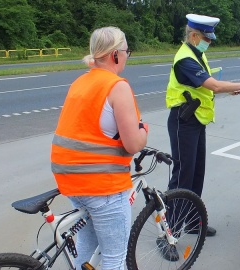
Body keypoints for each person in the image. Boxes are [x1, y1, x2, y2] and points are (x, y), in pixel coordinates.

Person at [50, 26, 148, 269]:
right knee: (114, 257)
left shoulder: (80, 82)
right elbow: (133, 143)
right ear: (115, 55)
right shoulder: (117, 86)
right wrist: (144, 131)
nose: (127, 56)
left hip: (70, 180)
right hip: (101, 184)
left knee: (87, 245)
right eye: (127, 52)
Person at [164, 13, 240, 257]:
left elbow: (205, 85)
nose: (209, 42)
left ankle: (193, 221)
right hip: (183, 122)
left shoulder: (197, 52)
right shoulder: (185, 58)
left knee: (196, 173)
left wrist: (226, 90)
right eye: (207, 38)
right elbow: (213, 85)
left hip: (196, 120)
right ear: (194, 36)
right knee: (182, 177)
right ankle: (168, 235)